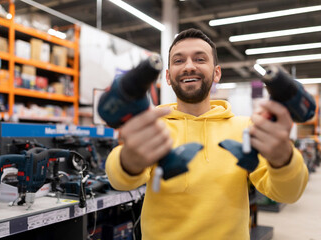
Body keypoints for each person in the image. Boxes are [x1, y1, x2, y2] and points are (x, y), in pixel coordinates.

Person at [105, 28, 308, 239]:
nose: (189, 66)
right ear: (167, 76)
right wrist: (128, 159)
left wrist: (284, 158)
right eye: (178, 61)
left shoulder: (246, 129)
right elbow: (120, 181)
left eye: (200, 59)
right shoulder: (155, 127)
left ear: (216, 72)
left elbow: (288, 194)